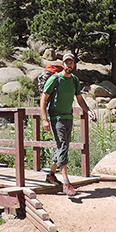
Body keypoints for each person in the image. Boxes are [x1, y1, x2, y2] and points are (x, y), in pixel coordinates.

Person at [40, 53, 96, 197]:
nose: (69, 65)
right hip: (56, 117)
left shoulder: (75, 80)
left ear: (74, 64)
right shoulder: (55, 79)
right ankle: (66, 183)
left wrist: (88, 111)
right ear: (63, 64)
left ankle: (51, 175)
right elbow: (43, 99)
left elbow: (79, 98)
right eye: (66, 62)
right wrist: (45, 119)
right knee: (63, 146)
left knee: (62, 147)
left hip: (68, 116)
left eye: (71, 62)